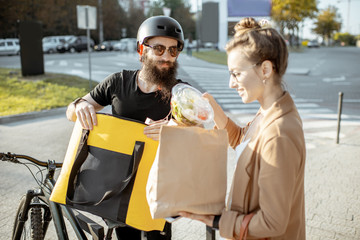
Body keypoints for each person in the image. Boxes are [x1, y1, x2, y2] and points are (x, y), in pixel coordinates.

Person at [179, 17, 306, 239]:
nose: (231, 83)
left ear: (265, 69)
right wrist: (217, 114)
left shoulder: (279, 134)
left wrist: (217, 220)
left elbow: (272, 222)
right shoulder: (268, 111)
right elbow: (245, 143)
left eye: (236, 73)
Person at [66, 15, 187, 240]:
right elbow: (71, 112)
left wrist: (175, 130)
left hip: (158, 189)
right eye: (159, 49)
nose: (167, 57)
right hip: (117, 186)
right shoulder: (117, 82)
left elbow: (198, 131)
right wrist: (80, 106)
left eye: (173, 50)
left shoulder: (181, 93)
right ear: (142, 49)